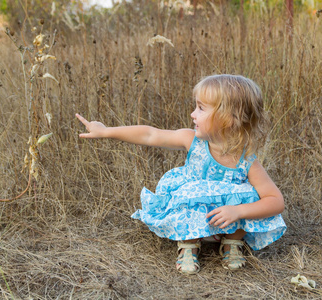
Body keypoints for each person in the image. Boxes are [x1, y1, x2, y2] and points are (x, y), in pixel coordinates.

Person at [76, 74, 286, 275]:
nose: (193, 114)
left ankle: (232, 241)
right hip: (194, 210)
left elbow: (275, 201)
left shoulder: (247, 160)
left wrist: (238, 211)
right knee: (188, 194)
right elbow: (151, 134)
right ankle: (189, 244)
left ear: (229, 118)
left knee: (249, 195)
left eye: (201, 108)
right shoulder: (192, 140)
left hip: (225, 219)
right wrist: (106, 131)